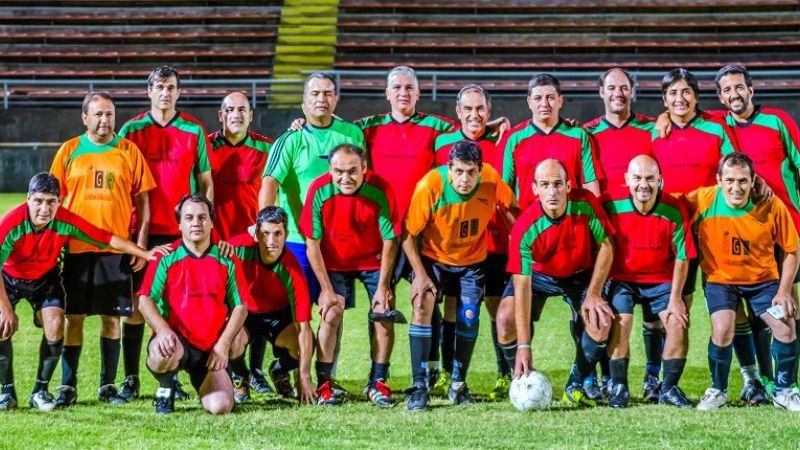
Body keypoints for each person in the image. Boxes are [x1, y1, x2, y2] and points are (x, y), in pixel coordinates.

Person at [0, 173, 160, 410]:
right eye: (39, 201)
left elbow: (105, 238)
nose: (45, 208)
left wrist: (143, 253)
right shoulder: (11, 223)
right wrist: (5, 309)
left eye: (51, 202)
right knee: (1, 324)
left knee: (56, 325)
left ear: (60, 202)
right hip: (9, 278)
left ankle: (40, 391)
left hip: (45, 278)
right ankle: (6, 393)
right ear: (28, 199)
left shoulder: (65, 220)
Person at [49, 91, 158, 407]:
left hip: (116, 249)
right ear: (85, 117)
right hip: (78, 249)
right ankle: (68, 386)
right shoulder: (69, 151)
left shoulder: (128, 151)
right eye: (97, 114)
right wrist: (55, 244)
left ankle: (107, 385)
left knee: (112, 319)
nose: (104, 120)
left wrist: (140, 244)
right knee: (75, 318)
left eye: (109, 114)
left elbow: (143, 201)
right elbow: (53, 201)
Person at [116, 65, 214, 402]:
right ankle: (130, 379)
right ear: (149, 91)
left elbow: (206, 183)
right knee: (133, 307)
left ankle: (170, 377)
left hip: (181, 235)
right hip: (140, 233)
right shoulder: (132, 130)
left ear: (178, 92)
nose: (165, 93)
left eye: (171, 87)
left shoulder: (193, 129)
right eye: (159, 86)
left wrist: (206, 226)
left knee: (175, 307)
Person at [402, 140, 516, 411]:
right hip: (435, 260)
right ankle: (420, 387)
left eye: (471, 172)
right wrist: (419, 275)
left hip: (472, 263)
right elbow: (408, 234)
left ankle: (458, 384)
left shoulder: (491, 179)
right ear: (449, 168)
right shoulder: (429, 185)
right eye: (459, 171)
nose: (465, 179)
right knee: (422, 305)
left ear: (480, 169)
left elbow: (515, 211)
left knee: (468, 317)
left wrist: (521, 245)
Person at [495, 159, 615, 407]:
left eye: (558, 184)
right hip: (539, 275)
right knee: (505, 318)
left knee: (600, 320)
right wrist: (524, 345)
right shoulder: (524, 228)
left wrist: (593, 293)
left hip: (579, 272)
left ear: (569, 186)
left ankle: (576, 382)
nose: (553, 192)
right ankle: (521, 376)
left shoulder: (585, 204)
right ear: (535, 188)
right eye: (546, 185)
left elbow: (606, 247)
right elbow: (522, 286)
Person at [689, 153, 800, 411]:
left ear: (753, 181)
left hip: (763, 282)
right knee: (723, 329)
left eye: (742, 181)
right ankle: (718, 389)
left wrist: (784, 291)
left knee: (786, 327)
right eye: (729, 180)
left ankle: (785, 391)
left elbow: (793, 250)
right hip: (720, 281)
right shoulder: (702, 200)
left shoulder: (771, 205)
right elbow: (669, 206)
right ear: (719, 180)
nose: (735, 188)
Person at [299, 143, 400, 406]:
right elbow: (312, 244)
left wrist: (383, 286)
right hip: (333, 262)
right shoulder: (318, 190)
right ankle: (324, 384)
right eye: (339, 171)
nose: (345, 178)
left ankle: (378, 381)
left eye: (352, 171)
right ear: (330, 170)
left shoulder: (381, 190)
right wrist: (326, 290)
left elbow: (390, 240)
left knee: (382, 312)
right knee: (331, 312)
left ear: (364, 168)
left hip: (372, 260)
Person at [583, 68, 662, 402]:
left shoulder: (653, 128)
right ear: (600, 92)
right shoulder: (586, 133)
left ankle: (653, 378)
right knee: (607, 311)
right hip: (606, 235)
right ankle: (604, 379)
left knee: (655, 315)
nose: (618, 93)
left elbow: (699, 117)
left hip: (647, 229)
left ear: (633, 91)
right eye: (611, 87)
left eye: (624, 87)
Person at [433, 84, 512, 399]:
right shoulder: (441, 144)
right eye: (468, 108)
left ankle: (504, 374)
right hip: (455, 245)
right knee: (452, 307)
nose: (474, 114)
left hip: (494, 242)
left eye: (480, 109)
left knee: (495, 306)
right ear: (457, 112)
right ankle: (447, 372)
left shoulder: (503, 141)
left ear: (489, 112)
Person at [138, 193, 249, 415]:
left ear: (211, 222)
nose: (196, 223)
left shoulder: (226, 258)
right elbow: (144, 300)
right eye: (189, 218)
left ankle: (233, 376)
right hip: (177, 342)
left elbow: (241, 306)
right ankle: (166, 388)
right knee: (162, 353)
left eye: (202, 217)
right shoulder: (166, 257)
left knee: (221, 407)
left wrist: (223, 344)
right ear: (179, 224)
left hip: (210, 347)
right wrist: (162, 330)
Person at [604, 155, 696, 408]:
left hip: (660, 281)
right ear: (627, 180)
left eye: (649, 179)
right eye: (637, 178)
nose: (643, 185)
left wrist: (677, 298)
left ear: (660, 180)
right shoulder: (611, 205)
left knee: (678, 322)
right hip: (623, 279)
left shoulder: (674, 209)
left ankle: (668, 388)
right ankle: (619, 386)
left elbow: (682, 256)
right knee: (622, 323)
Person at [209, 91, 274, 395]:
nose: (236, 114)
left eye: (242, 110)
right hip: (217, 244)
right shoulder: (206, 146)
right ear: (221, 115)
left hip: (252, 244)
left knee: (255, 307)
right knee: (224, 310)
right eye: (230, 110)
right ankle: (239, 371)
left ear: (251, 115)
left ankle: (257, 369)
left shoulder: (266, 147)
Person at [227, 206, 315, 404]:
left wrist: (304, 376)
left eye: (277, 234)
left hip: (278, 315)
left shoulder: (293, 269)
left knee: (303, 346)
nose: (271, 242)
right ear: (256, 233)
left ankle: (279, 370)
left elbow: (304, 328)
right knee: (230, 340)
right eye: (265, 233)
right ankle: (240, 377)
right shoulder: (238, 248)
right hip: (247, 312)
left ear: (286, 234)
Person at [501, 72, 604, 210]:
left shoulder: (579, 136)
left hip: (571, 223)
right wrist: (518, 227)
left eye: (550, 98)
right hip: (530, 226)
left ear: (560, 101)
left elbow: (591, 187)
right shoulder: (514, 139)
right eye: (538, 98)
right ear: (529, 102)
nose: (544, 104)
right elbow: (505, 193)